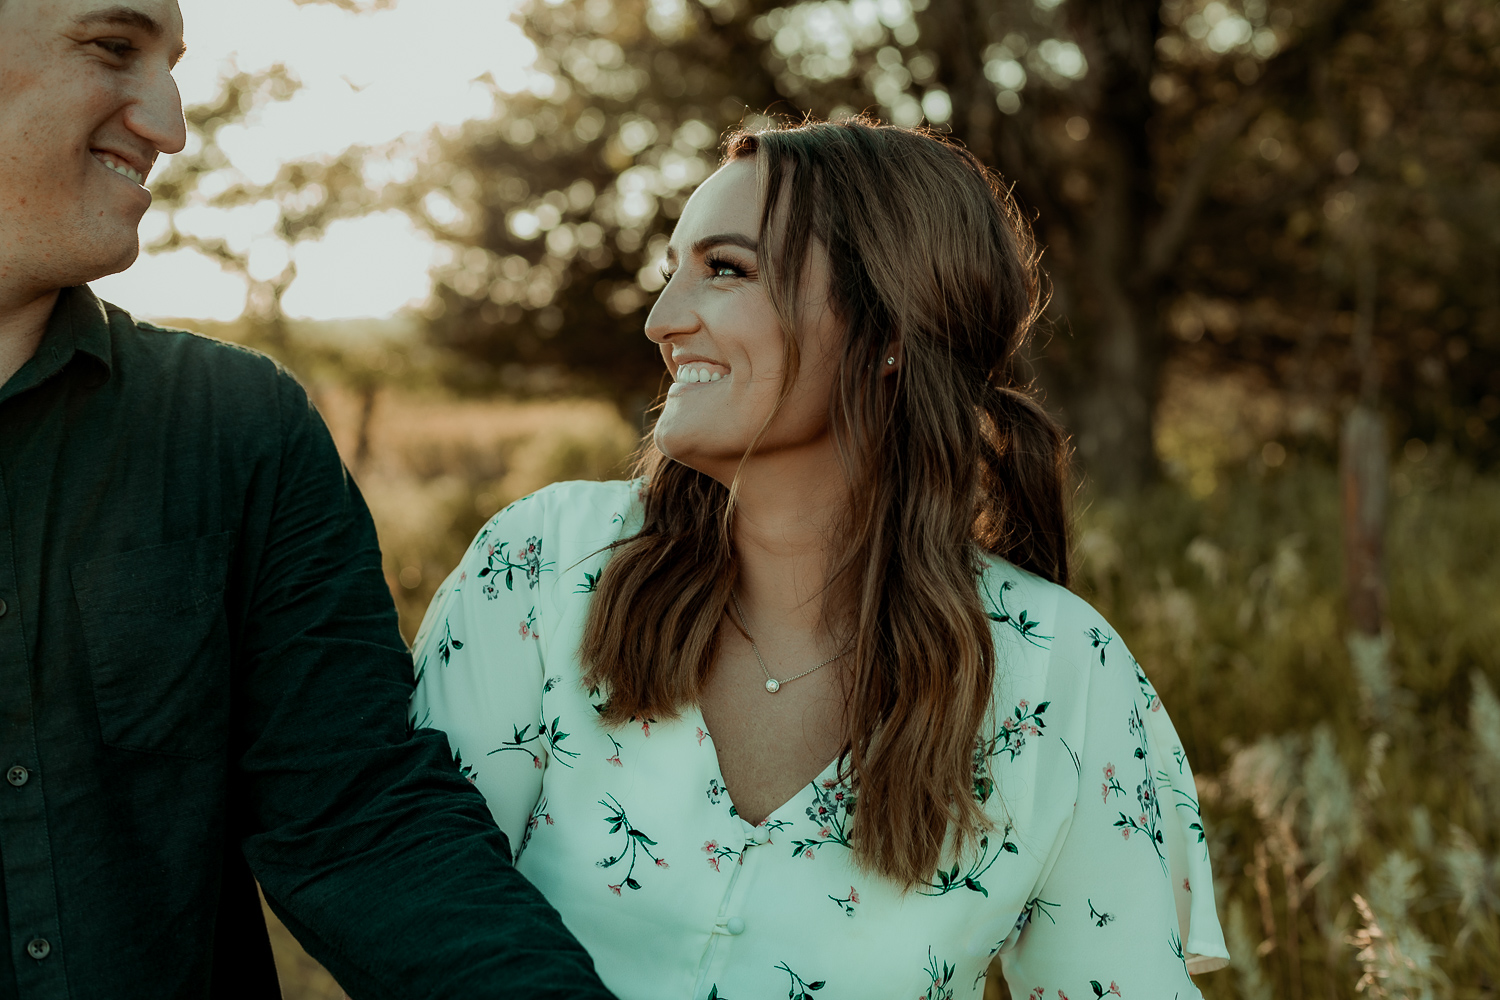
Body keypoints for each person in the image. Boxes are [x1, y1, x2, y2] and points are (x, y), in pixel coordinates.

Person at [412, 117, 1232, 1000]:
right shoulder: (540, 568)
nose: (662, 321)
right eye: (670, 273)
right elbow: (414, 911)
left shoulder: (1063, 676)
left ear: (886, 329)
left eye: (724, 270)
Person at [0, 1, 620, 996]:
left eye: (175, 65)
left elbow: (359, 815)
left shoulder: (237, 427)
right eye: (115, 49)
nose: (171, 123)